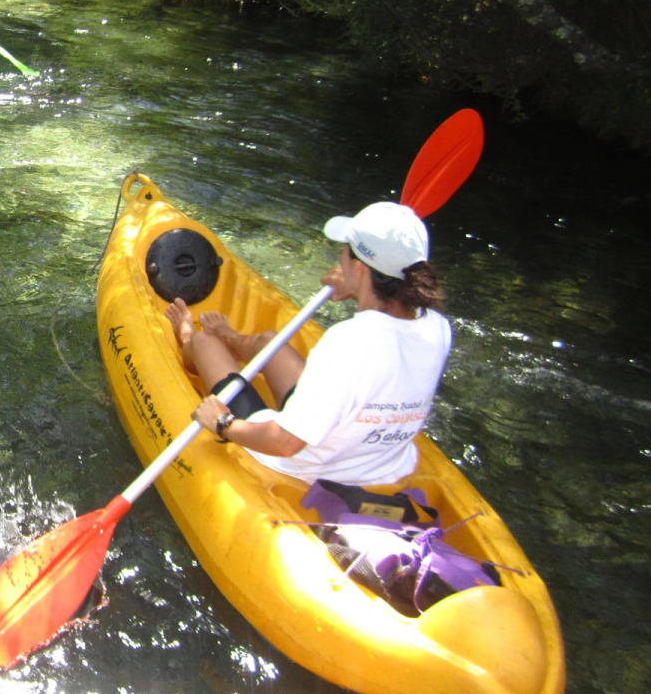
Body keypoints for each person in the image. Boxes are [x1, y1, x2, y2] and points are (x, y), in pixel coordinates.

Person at [165, 201, 452, 486]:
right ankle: (231, 338)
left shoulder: (349, 340)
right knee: (269, 343)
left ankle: (188, 337)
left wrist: (223, 423)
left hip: (304, 465)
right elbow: (386, 328)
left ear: (361, 269)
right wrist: (355, 290)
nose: (340, 259)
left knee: (205, 340)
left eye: (344, 251)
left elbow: (285, 443)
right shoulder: (437, 326)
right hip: (372, 460)